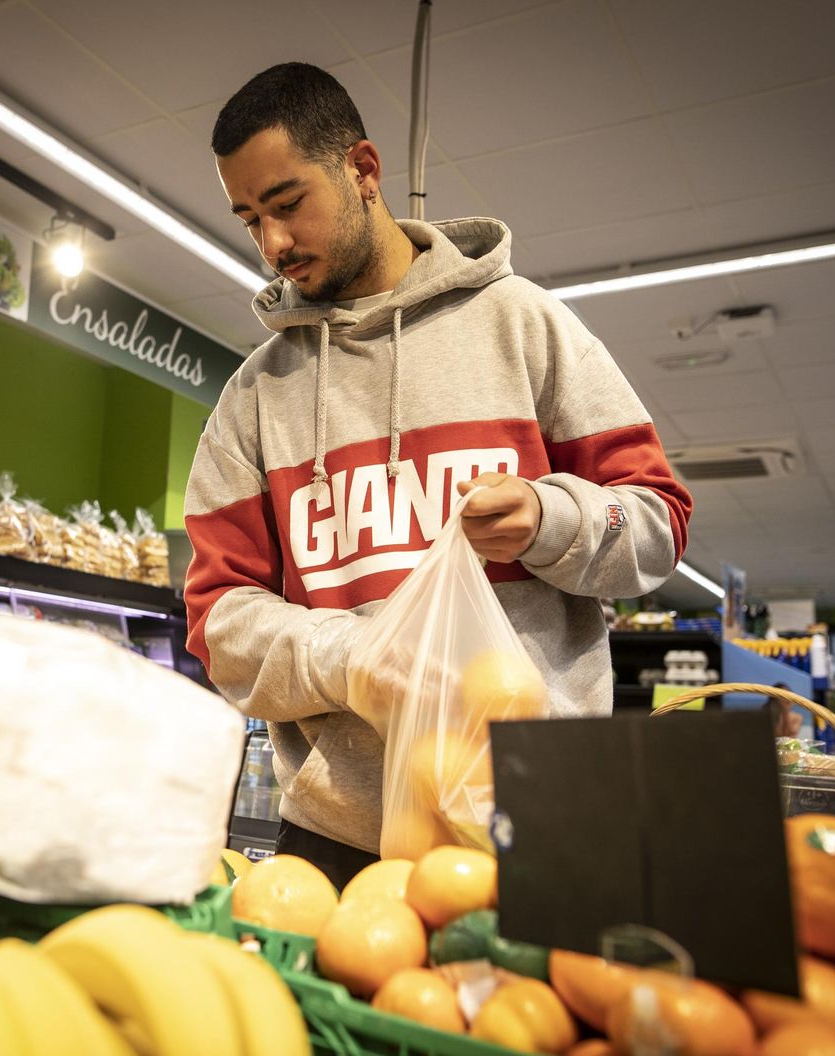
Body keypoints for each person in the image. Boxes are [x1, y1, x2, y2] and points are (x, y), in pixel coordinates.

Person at [184, 63, 693, 887]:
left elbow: (658, 525)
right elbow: (218, 626)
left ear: (364, 170)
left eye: (286, 203)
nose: (272, 245)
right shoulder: (253, 400)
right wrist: (351, 656)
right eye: (249, 220)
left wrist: (548, 519)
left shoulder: (522, 325)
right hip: (340, 838)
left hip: (539, 811)